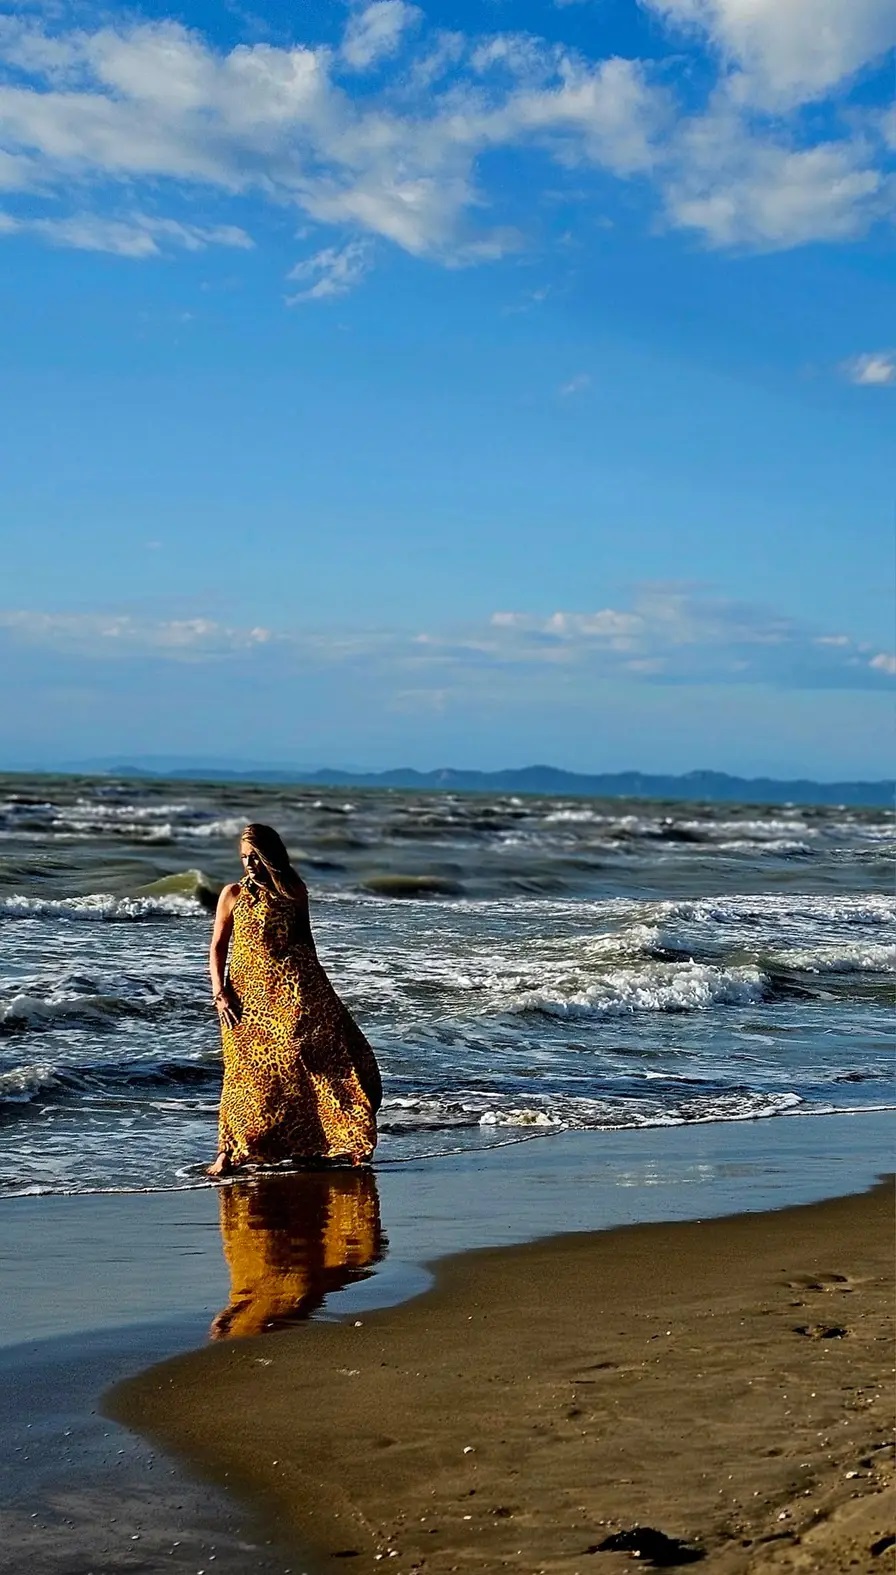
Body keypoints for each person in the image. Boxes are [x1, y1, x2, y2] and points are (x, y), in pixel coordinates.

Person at [207, 823, 382, 1177]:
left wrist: (321, 992)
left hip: (291, 991)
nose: (250, 864)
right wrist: (219, 992)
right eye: (244, 858)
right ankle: (229, 1152)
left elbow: (305, 943)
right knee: (243, 1074)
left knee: (302, 1063)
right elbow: (217, 947)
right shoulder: (233, 894)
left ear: (270, 855)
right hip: (244, 999)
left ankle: (315, 1143)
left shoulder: (293, 891)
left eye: (255, 857)